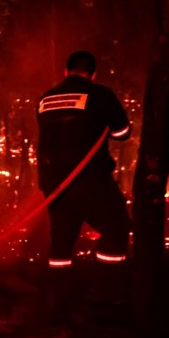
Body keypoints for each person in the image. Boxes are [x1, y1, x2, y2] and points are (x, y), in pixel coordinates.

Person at [35, 51, 132, 309]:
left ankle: (57, 298)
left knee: (61, 243)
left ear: (66, 72)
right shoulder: (101, 95)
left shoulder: (46, 99)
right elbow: (122, 132)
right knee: (116, 227)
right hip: (90, 180)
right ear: (93, 74)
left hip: (55, 184)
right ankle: (104, 292)